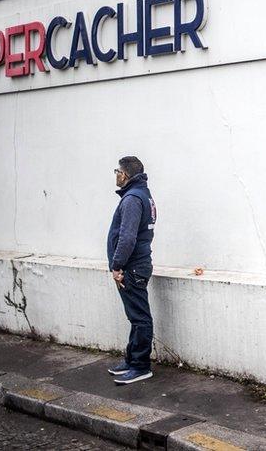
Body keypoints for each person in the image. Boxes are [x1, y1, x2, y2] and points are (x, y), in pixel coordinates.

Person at [107, 156, 158, 384]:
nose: (116, 174)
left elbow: (127, 238)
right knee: (135, 316)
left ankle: (140, 366)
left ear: (125, 174)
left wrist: (117, 266)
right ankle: (131, 360)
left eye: (117, 170)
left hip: (132, 267)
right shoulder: (142, 195)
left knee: (139, 317)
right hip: (137, 264)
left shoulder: (131, 199)